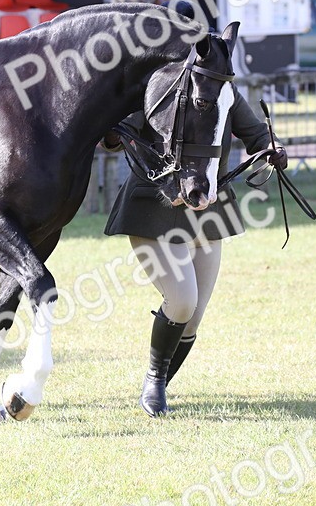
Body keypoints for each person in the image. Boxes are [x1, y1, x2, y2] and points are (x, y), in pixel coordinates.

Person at [101, 34, 287, 417]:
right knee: (182, 301)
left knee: (194, 316)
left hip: (209, 212)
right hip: (154, 210)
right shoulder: (161, 86)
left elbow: (256, 134)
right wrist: (114, 127)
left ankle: (160, 384)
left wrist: (273, 148)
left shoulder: (224, 94)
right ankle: (153, 383)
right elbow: (114, 134)